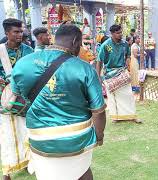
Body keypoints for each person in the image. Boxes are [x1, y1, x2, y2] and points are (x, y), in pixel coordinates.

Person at [10, 24, 106, 180]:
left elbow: (17, 96)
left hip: (40, 137)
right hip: (78, 137)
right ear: (75, 41)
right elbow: (99, 111)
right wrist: (99, 136)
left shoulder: (22, 63)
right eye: (80, 44)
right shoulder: (85, 69)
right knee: (82, 172)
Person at [0, 18, 33, 180]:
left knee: (26, 132)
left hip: (24, 99)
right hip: (4, 100)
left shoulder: (28, 50)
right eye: (16, 31)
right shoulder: (0, 51)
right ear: (7, 33)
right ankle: (7, 171)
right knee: (7, 135)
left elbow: (34, 71)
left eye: (21, 31)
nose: (20, 34)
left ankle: (28, 162)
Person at [97, 24, 141, 123]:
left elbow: (128, 56)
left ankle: (132, 116)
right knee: (112, 97)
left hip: (122, 72)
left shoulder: (125, 44)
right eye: (118, 33)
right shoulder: (105, 45)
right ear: (112, 34)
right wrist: (98, 76)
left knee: (129, 94)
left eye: (121, 32)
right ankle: (115, 117)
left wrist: (128, 64)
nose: (120, 34)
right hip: (109, 74)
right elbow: (99, 60)